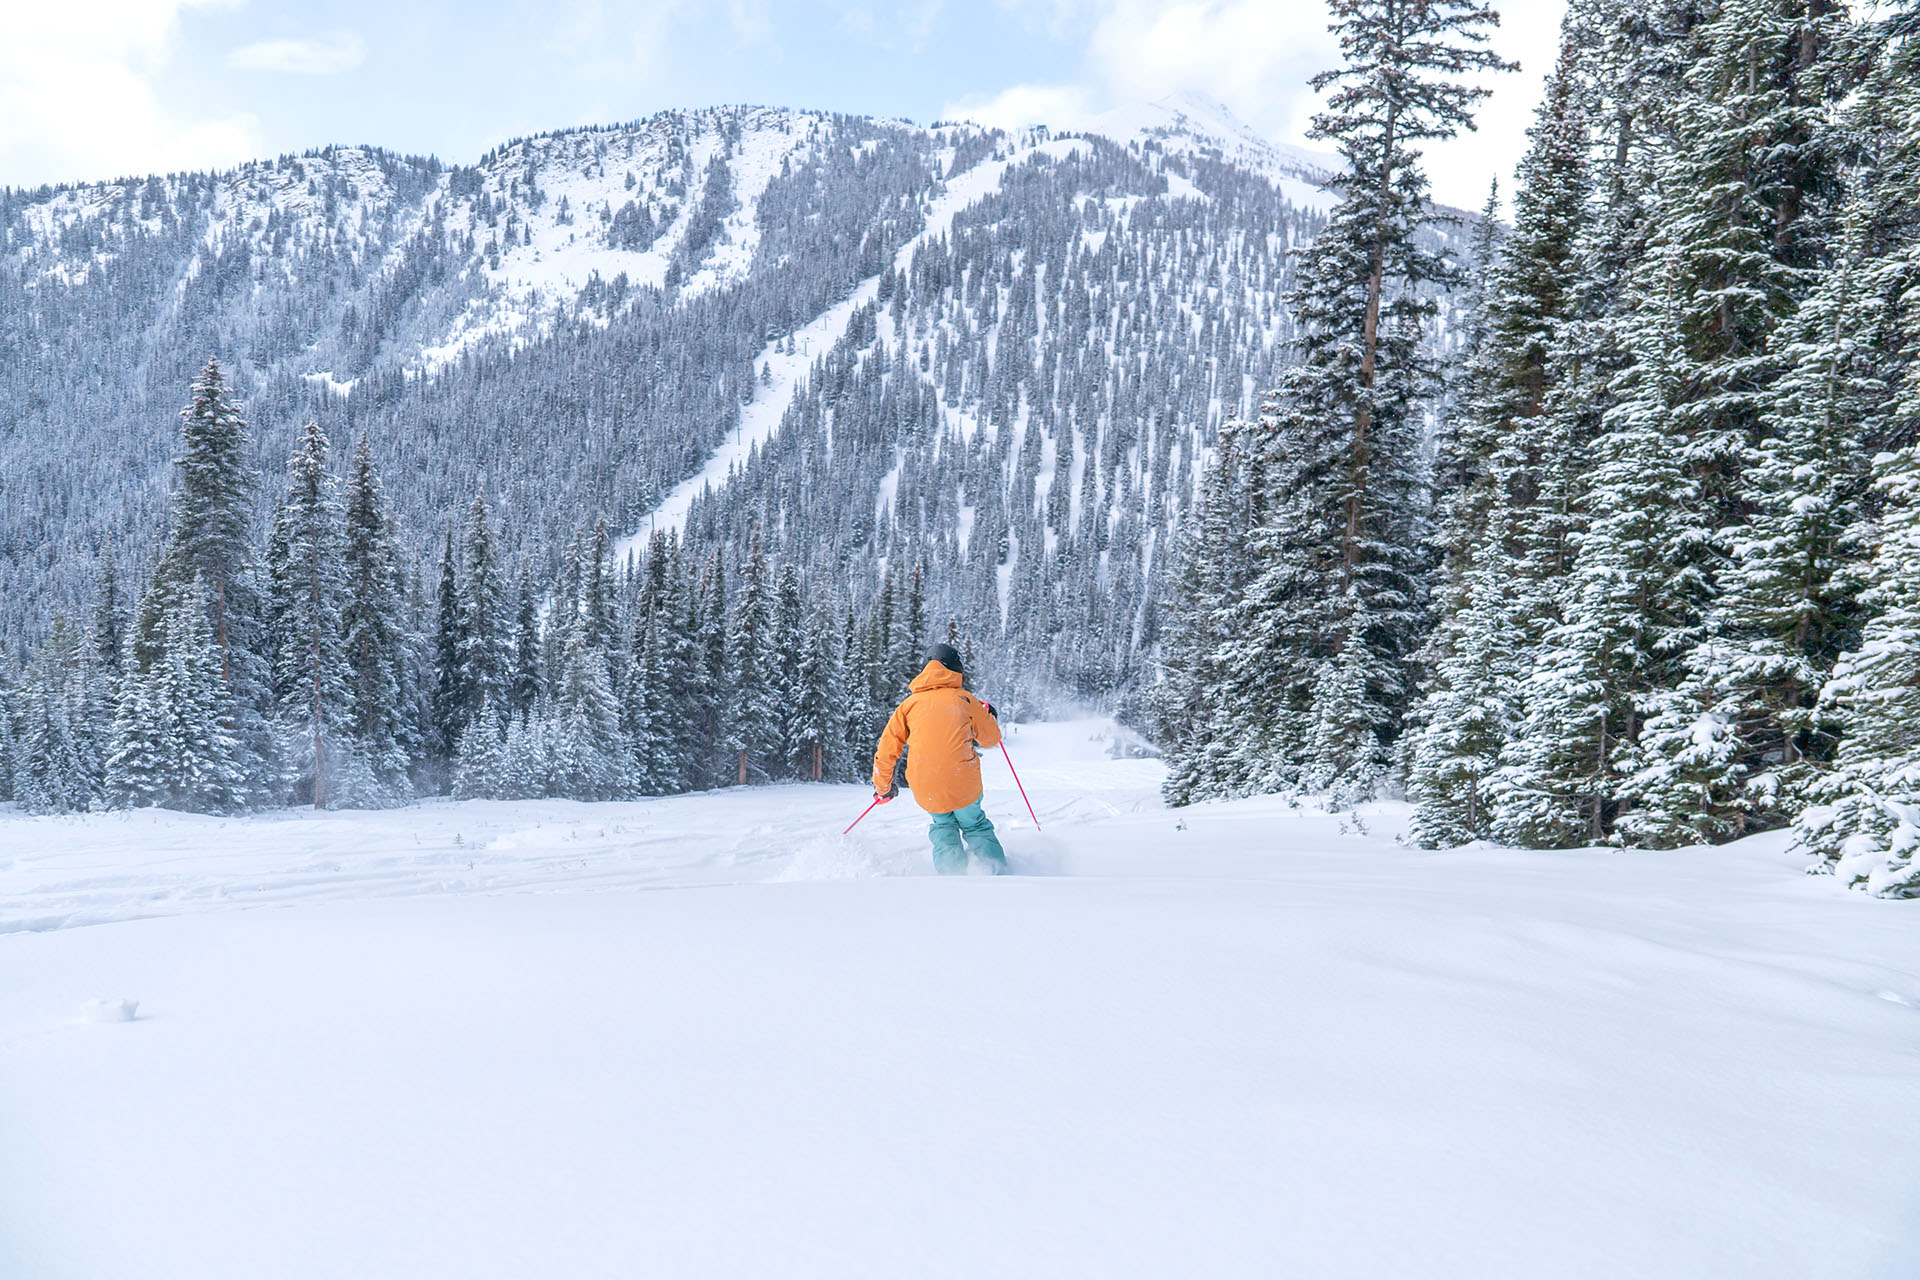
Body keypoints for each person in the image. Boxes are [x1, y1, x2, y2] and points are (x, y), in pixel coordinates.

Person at [872, 643, 1009, 875]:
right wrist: (989, 715)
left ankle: (951, 879)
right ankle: (994, 874)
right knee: (975, 825)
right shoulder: (965, 699)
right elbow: (990, 739)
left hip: (926, 786)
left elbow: (886, 750)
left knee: (944, 826)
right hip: (963, 782)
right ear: (956, 669)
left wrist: (883, 788)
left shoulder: (907, 706)